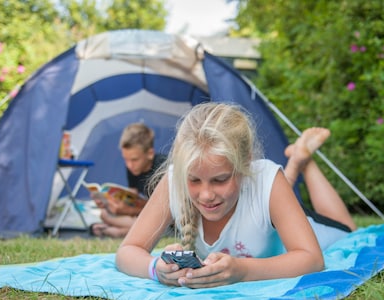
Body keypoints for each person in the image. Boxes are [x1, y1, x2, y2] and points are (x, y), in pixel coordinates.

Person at [115, 102, 356, 288]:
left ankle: (305, 162)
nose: (206, 195)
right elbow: (127, 252)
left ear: (246, 163)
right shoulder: (173, 180)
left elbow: (312, 259)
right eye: (194, 180)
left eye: (220, 179)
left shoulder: (266, 177)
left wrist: (242, 270)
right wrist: (155, 268)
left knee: (348, 229)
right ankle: (297, 161)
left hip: (318, 231)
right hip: (269, 212)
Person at [90, 122, 166, 238]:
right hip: (143, 215)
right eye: (126, 159)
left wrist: (131, 211)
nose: (129, 165)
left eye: (134, 160)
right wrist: (108, 203)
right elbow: (132, 197)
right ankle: (119, 229)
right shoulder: (133, 168)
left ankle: (116, 231)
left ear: (150, 153)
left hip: (164, 219)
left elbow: (162, 212)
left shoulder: (163, 169)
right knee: (105, 214)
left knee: (145, 224)